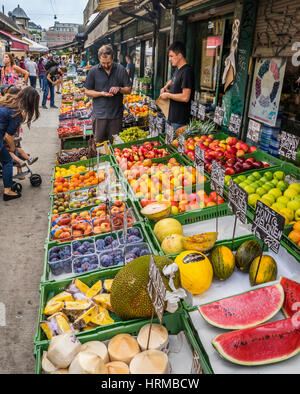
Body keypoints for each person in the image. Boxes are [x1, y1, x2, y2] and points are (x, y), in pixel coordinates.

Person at [84, 45, 131, 144]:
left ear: (113, 58)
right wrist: (100, 93)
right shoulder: (93, 71)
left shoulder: (121, 69)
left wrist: (119, 89)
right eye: (103, 63)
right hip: (99, 115)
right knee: (99, 144)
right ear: (99, 59)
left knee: (115, 144)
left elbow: (128, 90)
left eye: (108, 62)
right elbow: (87, 91)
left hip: (116, 116)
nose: (106, 65)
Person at [0, 86, 40, 201]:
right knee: (7, 160)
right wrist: (12, 149)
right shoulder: (16, 111)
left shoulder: (7, 101)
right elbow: (8, 136)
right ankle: (7, 191)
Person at [160, 41, 194, 130]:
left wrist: (168, 95)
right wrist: (165, 87)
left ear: (179, 56)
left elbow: (185, 97)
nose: (169, 59)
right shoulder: (178, 69)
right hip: (171, 117)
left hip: (179, 121)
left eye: (171, 56)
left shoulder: (187, 71)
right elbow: (173, 79)